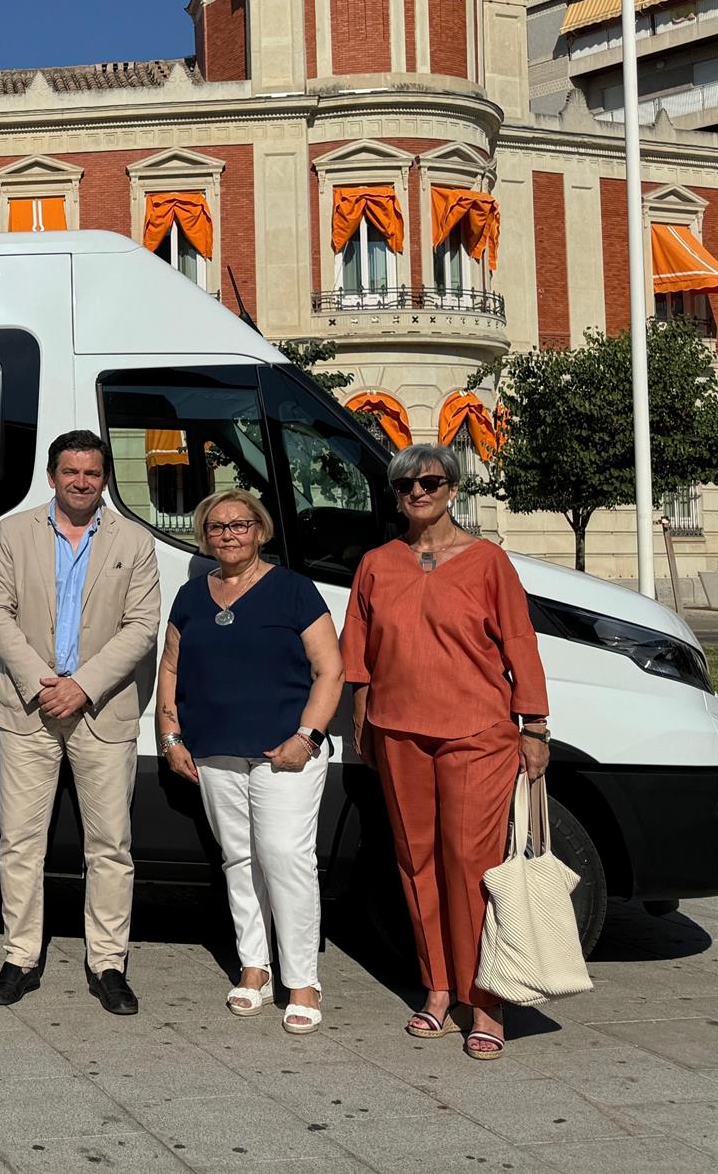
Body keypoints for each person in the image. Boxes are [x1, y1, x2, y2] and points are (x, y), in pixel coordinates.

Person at [341, 443, 551, 1062]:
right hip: (398, 731)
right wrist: (362, 717)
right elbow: (360, 647)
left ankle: (485, 999)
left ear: (453, 490)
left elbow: (519, 641)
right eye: (406, 486)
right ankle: (437, 987)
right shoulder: (378, 562)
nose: (418, 493)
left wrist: (534, 726)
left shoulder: (489, 562)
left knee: (470, 863)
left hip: (478, 733)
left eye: (430, 482)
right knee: (415, 861)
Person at [0, 430, 161, 1013]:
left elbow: (141, 625)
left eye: (91, 472)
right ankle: (19, 958)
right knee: (20, 843)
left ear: (103, 478)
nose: (81, 481)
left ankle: (108, 963)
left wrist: (82, 686)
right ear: (52, 476)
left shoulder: (134, 540)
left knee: (110, 846)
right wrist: (44, 682)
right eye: (70, 471)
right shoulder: (14, 532)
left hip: (102, 710)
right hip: (29, 708)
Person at [155, 490, 343, 1033]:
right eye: (216, 527)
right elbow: (171, 668)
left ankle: (302, 980)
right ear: (204, 536)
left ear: (260, 531)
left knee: (284, 855)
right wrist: (170, 735)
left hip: (285, 751)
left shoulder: (293, 591)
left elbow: (330, 669)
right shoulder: (192, 596)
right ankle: (254, 967)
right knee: (238, 858)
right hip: (213, 752)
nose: (228, 534)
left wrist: (307, 737)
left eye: (240, 525)